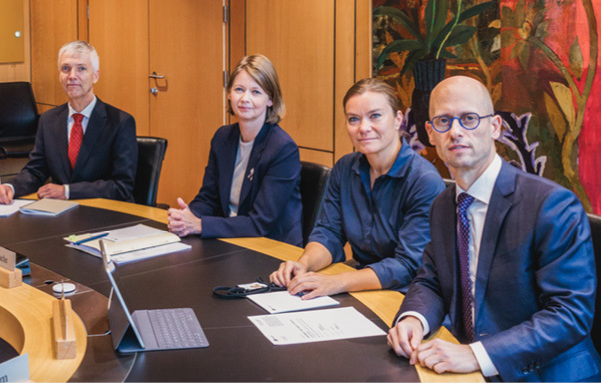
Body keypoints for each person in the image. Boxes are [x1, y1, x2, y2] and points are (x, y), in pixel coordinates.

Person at [387, 76, 601, 381]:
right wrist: (414, 319)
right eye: (444, 121)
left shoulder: (551, 205)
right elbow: (432, 280)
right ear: (431, 134)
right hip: (473, 372)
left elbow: (570, 314)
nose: (456, 131)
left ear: (495, 127)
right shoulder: (442, 206)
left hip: (548, 374)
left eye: (469, 119)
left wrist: (477, 354)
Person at [269, 78, 445, 299]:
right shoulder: (344, 168)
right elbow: (329, 233)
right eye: (354, 119)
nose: (363, 128)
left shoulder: (424, 180)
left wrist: (336, 282)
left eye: (375, 116)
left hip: (407, 294)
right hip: (359, 284)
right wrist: (304, 265)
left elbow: (407, 265)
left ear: (398, 119)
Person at [166, 54, 302, 246]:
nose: (245, 98)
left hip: (271, 248)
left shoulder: (282, 148)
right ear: (229, 94)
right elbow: (208, 197)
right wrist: (186, 218)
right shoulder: (222, 137)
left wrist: (200, 225)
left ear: (270, 100)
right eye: (239, 89)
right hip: (230, 239)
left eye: (256, 92)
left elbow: (260, 223)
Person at [0, 40, 137, 203]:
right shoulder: (49, 120)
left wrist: (68, 191)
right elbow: (36, 171)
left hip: (106, 212)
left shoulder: (120, 122)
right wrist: (10, 187)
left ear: (95, 76)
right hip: (60, 214)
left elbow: (122, 186)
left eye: (81, 68)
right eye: (65, 69)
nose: (72, 76)